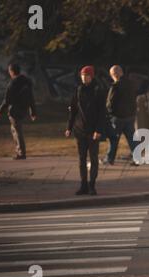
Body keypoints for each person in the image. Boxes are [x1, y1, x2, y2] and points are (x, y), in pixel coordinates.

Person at [66, 66, 105, 196]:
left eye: (87, 75)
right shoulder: (78, 90)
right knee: (81, 159)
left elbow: (102, 113)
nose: (84, 77)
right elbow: (73, 110)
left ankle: (92, 186)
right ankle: (83, 185)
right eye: (82, 75)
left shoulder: (98, 90)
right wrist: (69, 127)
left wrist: (98, 130)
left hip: (93, 131)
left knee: (93, 159)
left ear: (92, 76)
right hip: (79, 130)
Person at [101, 65, 139, 166]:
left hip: (117, 117)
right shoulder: (131, 84)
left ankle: (109, 158)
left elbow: (110, 103)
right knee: (131, 138)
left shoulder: (115, 86)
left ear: (112, 75)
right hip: (130, 116)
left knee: (114, 139)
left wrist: (108, 114)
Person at [0, 63, 37, 160]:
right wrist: (33, 111)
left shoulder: (13, 83)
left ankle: (21, 153)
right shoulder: (27, 81)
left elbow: (7, 99)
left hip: (14, 110)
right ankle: (20, 151)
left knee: (17, 132)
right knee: (16, 130)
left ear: (11, 71)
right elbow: (31, 97)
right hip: (24, 109)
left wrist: (1, 110)